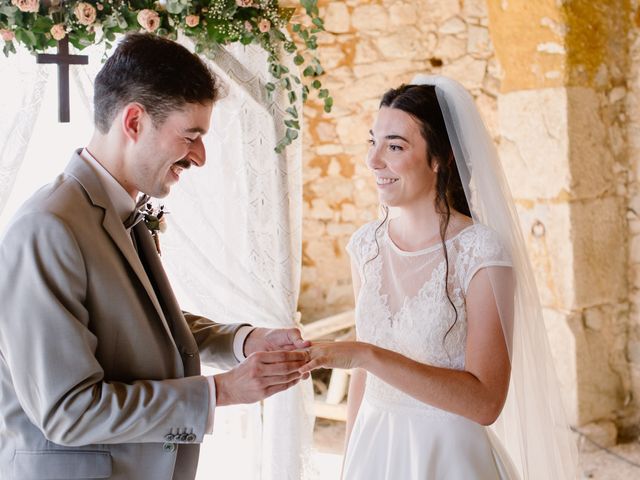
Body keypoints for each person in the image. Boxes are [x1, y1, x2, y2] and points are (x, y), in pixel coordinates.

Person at [0, 33, 310, 480]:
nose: (200, 156)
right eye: (191, 136)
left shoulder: (116, 207)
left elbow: (134, 322)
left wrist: (243, 341)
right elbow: (68, 411)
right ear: (133, 122)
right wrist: (220, 391)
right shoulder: (48, 228)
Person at [300, 76, 577, 479]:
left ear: (440, 157)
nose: (373, 161)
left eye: (394, 146)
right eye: (372, 142)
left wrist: (366, 353)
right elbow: (363, 378)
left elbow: (486, 402)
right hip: (374, 449)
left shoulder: (481, 252)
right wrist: (349, 464)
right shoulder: (365, 245)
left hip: (448, 458)